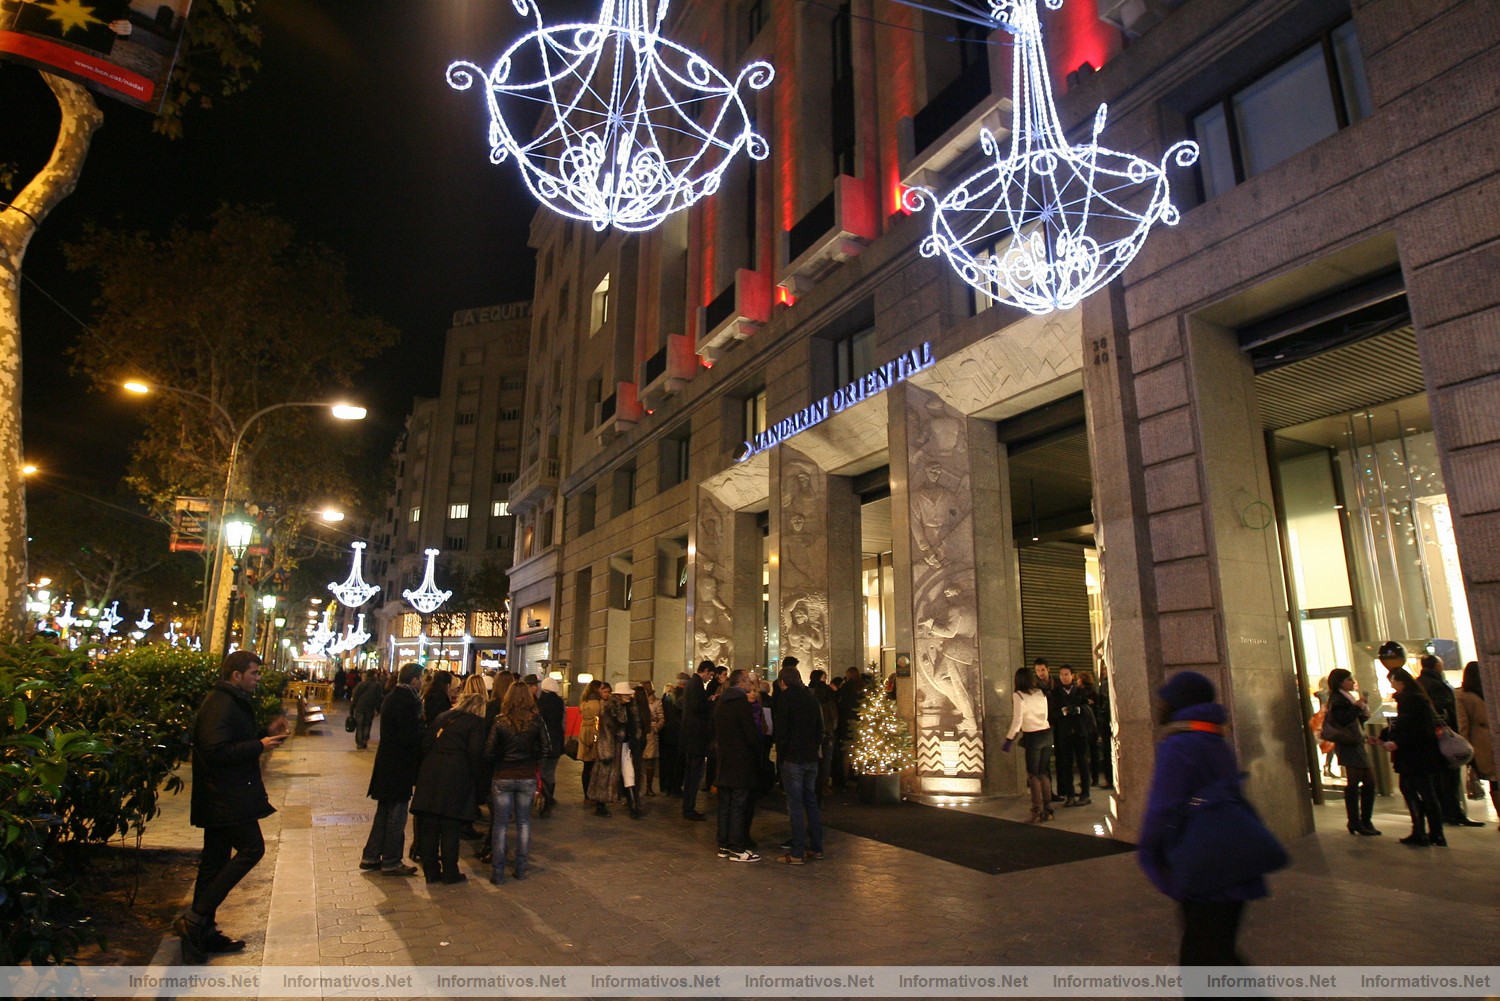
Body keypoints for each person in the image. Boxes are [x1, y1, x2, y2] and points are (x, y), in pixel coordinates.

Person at [1138, 670, 1267, 965]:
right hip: (1234, 859)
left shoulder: (1179, 744)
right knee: (1219, 954)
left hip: (1202, 866)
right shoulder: (1216, 738)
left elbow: (1162, 808)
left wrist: (1151, 856)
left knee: (1204, 962)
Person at [175, 651, 288, 964]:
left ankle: (203, 932)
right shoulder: (221, 702)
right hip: (224, 797)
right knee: (252, 849)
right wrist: (259, 745)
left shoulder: (230, 700)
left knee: (214, 862)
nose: (258, 678)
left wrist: (265, 734)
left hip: (225, 796)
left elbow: (232, 740)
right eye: (253, 673)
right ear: (236, 675)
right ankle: (195, 919)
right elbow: (216, 749)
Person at [411, 688, 488, 884]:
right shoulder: (475, 723)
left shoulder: (443, 717)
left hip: (430, 773)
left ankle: (431, 871)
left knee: (429, 825)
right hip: (455, 777)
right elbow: (475, 753)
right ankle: (450, 872)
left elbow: (426, 744)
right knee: (450, 826)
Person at [360, 663, 425, 877]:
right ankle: (391, 860)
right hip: (399, 766)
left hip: (386, 765)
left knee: (383, 813)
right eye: (421, 678)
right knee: (397, 815)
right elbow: (408, 736)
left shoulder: (391, 696)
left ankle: (371, 856)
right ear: (414, 680)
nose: (422, 682)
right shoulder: (408, 701)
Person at [486, 681, 551, 883]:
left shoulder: (500, 720)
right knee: (523, 823)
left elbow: (488, 750)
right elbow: (546, 747)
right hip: (527, 775)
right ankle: (521, 868)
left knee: (501, 824)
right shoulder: (536, 720)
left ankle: (498, 872)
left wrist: (501, 758)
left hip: (503, 775)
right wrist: (533, 759)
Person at [1383, 665, 1448, 846]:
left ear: (1400, 681)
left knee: (1414, 790)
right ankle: (1433, 832)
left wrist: (1397, 741)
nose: (1392, 686)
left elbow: (1414, 728)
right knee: (1425, 792)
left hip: (1414, 755)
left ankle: (1421, 831)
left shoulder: (1410, 700)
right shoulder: (1418, 698)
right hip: (1422, 754)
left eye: (1393, 681)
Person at [1417, 653, 1484, 827]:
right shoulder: (1438, 685)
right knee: (1449, 776)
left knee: (1439, 778)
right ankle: (1453, 812)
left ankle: (1446, 812)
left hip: (1431, 738)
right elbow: (1448, 711)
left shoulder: (1420, 683)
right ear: (1437, 667)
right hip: (1444, 736)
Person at [772, 658, 824, 864]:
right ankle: (817, 847)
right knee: (811, 801)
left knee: (795, 805)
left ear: (783, 683)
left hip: (793, 758)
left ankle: (797, 852)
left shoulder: (785, 700)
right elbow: (820, 729)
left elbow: (781, 732)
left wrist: (780, 757)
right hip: (811, 758)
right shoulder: (812, 699)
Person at [1324, 668, 1380, 835]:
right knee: (1357, 781)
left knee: (1367, 781)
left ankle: (1363, 820)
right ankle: (1357, 821)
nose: (1352, 682)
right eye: (1348, 679)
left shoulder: (1347, 697)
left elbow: (1354, 720)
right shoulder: (1337, 699)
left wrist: (1361, 710)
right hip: (1348, 743)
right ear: (1340, 682)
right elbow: (1343, 719)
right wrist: (1357, 707)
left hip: (1355, 742)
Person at [713, 668, 761, 861]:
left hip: (724, 760)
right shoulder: (741, 704)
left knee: (725, 803)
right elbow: (750, 734)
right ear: (741, 683)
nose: (750, 685)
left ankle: (723, 844)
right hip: (740, 761)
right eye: (748, 681)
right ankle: (737, 847)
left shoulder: (721, 702)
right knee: (738, 804)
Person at [1001, 665, 1054, 823]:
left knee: (1033, 774)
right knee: (1044, 772)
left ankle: (1037, 809)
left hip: (1033, 737)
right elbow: (1046, 714)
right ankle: (1049, 809)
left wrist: (1009, 739)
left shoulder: (1019, 696)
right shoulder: (1041, 692)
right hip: (1046, 733)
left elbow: (1017, 721)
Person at [1456, 662, 1497, 828]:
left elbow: (1463, 723)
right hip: (1492, 737)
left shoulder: (1462, 695)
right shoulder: (1491, 689)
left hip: (1481, 742)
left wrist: (1464, 746)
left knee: (1494, 780)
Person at [587, 682, 635, 817]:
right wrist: (607, 750)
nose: (629, 696)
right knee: (604, 775)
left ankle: (632, 805)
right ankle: (600, 805)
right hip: (610, 746)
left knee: (625, 773)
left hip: (623, 746)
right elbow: (607, 731)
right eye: (626, 694)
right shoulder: (611, 708)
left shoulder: (627, 707)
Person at [1054, 664, 1094, 807]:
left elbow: (1088, 708)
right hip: (1064, 733)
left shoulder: (1081, 691)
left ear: (1072, 675)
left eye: (1066, 674)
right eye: (1061, 674)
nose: (1064, 677)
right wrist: (1062, 712)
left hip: (1080, 732)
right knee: (1067, 764)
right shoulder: (1056, 693)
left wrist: (1078, 710)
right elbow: (1051, 713)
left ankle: (1085, 794)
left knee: (1083, 763)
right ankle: (1069, 794)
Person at [680, 661, 715, 820]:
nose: (710, 678)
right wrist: (711, 702)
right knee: (694, 774)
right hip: (695, 737)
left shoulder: (692, 684)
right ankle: (689, 808)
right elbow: (698, 707)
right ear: (706, 671)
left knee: (693, 773)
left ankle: (688, 806)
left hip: (691, 736)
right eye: (711, 674)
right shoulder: (696, 684)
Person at [535, 676, 566, 817]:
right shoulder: (560, 702)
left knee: (541, 771)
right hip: (557, 741)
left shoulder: (541, 702)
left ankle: (545, 799)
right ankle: (550, 798)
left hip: (544, 742)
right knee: (551, 771)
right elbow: (562, 723)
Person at [578, 679, 605, 802]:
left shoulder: (584, 702)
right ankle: (593, 793)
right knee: (595, 767)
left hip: (584, 734)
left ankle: (586, 795)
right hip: (595, 733)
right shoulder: (599, 704)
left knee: (586, 767)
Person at [349, 669, 384, 750]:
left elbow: (355, 697)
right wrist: (377, 709)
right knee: (367, 724)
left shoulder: (361, 684)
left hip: (359, 707)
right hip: (370, 708)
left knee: (359, 725)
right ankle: (364, 741)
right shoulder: (377, 685)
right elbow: (379, 698)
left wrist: (351, 708)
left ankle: (359, 743)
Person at [640, 681, 664, 796]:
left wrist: (655, 729)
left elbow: (661, 718)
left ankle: (648, 787)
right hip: (641, 733)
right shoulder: (639, 702)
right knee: (638, 762)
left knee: (650, 762)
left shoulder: (656, 702)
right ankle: (639, 787)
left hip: (651, 733)